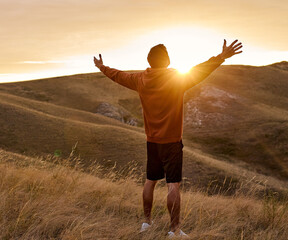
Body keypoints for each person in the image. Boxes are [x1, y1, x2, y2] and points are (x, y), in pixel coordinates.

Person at [93, 39, 242, 237]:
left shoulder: (140, 79)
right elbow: (201, 69)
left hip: (152, 140)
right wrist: (221, 57)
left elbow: (118, 75)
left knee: (150, 181)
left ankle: (146, 222)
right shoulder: (176, 79)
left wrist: (102, 66)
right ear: (168, 61)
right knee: (173, 185)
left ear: (149, 61)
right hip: (171, 141)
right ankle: (174, 230)